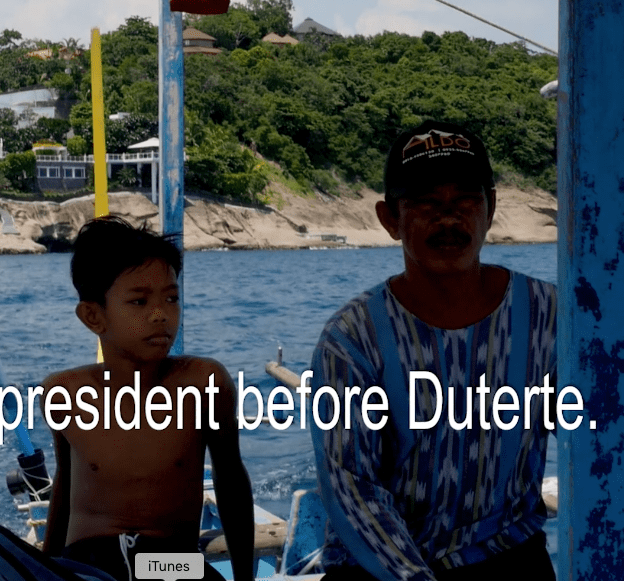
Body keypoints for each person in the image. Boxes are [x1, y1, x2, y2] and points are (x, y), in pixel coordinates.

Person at [309, 120, 557, 581]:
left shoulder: (552, 315)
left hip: (509, 557)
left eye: (466, 199)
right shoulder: (351, 339)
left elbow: (600, 427)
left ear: (491, 207)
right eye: (426, 202)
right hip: (378, 568)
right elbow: (350, 487)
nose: (449, 218)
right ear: (389, 219)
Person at [40, 216, 255, 581]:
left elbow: (231, 481)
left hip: (170, 562)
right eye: (139, 301)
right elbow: (66, 486)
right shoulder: (64, 392)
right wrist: (44, 569)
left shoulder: (204, 383)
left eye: (171, 298)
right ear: (94, 316)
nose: (161, 315)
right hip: (88, 562)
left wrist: (243, 578)